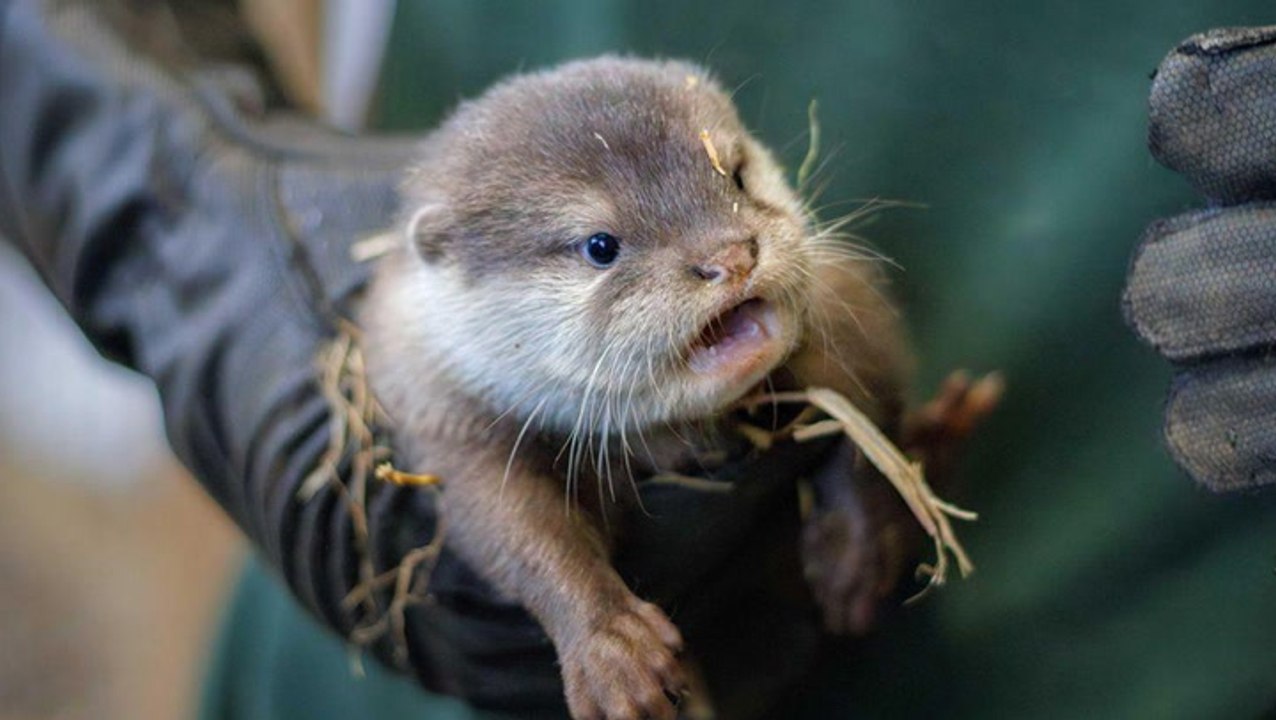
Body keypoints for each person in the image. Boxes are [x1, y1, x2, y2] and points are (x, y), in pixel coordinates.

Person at [2, 0, 1274, 718]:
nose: (733, 254)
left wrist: (863, 479)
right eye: (604, 249)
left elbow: (854, 345)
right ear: (452, 272)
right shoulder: (428, 343)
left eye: (733, 185)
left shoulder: (777, 263)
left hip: (1096, 643)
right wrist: (167, 189)